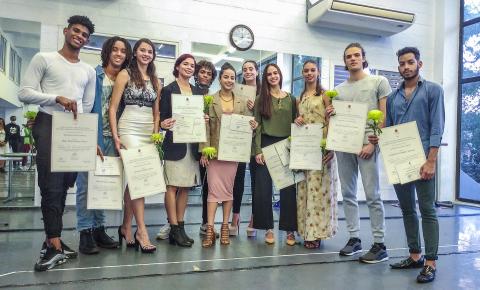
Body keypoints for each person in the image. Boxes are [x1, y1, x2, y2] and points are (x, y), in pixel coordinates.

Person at [18, 15, 96, 271]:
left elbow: (85, 105)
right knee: (50, 186)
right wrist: (56, 98)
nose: (80, 36)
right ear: (65, 31)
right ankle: (53, 246)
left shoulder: (87, 70)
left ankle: (54, 239)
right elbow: (24, 92)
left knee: (64, 187)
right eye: (76, 31)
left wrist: (87, 139)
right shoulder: (44, 58)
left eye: (85, 34)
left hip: (74, 130)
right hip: (49, 124)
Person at [376, 47, 444, 283]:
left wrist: (431, 160)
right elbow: (390, 130)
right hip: (399, 161)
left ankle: (430, 262)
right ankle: (415, 256)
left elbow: (437, 127)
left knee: (427, 210)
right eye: (402, 64)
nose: (406, 67)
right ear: (398, 68)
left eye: (410, 62)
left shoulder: (433, 90)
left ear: (419, 64)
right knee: (407, 210)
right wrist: (380, 137)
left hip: (424, 159)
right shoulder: (393, 98)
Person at [327, 42, 391, 263]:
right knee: (348, 194)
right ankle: (354, 238)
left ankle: (379, 243)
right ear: (344, 61)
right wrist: (330, 113)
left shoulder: (378, 82)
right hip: (345, 146)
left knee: (373, 195)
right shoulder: (339, 90)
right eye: (348, 56)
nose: (352, 59)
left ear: (364, 58)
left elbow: (383, 116)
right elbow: (339, 120)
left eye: (356, 55)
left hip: (367, 145)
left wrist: (373, 144)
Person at [75, 36, 132, 255]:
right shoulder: (93, 74)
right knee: (85, 186)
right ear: (107, 52)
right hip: (94, 137)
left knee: (104, 185)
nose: (119, 54)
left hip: (116, 139)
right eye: (115, 50)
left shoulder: (126, 78)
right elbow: (83, 108)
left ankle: (99, 229)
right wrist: (90, 138)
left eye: (123, 51)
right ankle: (85, 231)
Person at [109, 38, 161, 254]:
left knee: (138, 179)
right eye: (142, 50)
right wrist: (115, 136)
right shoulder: (125, 74)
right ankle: (142, 230)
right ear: (136, 53)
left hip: (148, 131)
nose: (146, 54)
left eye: (150, 51)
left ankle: (125, 227)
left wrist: (156, 134)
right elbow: (113, 108)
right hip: (128, 128)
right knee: (138, 178)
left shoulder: (157, 80)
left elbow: (157, 113)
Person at [200, 63, 257, 247]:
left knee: (228, 191)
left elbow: (248, 127)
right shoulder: (210, 99)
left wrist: (254, 128)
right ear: (220, 79)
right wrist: (204, 151)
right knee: (213, 192)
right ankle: (210, 229)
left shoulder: (242, 101)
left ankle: (225, 227)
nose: (229, 80)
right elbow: (205, 126)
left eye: (232, 77)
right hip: (215, 154)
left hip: (233, 154)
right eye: (226, 77)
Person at [160, 54, 203, 247]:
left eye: (192, 65)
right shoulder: (168, 90)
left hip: (191, 145)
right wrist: (162, 123)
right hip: (174, 144)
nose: (189, 67)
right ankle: (174, 227)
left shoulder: (198, 92)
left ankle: (181, 227)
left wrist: (204, 120)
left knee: (185, 186)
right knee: (172, 186)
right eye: (185, 64)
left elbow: (199, 118)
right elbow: (161, 117)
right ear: (177, 67)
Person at [294, 60, 338, 249]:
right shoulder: (300, 96)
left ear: (318, 72)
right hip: (305, 149)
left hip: (322, 148)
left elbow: (332, 121)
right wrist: (297, 120)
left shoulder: (326, 95)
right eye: (306, 71)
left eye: (312, 70)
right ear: (302, 73)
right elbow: (301, 120)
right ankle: (306, 232)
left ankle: (317, 233)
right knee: (305, 191)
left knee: (320, 192)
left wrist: (331, 147)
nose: (309, 73)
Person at [252, 63, 297, 245]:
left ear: (280, 75)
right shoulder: (260, 99)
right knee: (263, 189)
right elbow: (256, 126)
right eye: (269, 74)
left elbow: (296, 124)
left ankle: (289, 230)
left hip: (286, 144)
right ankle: (268, 229)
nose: (272, 76)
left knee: (288, 189)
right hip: (266, 143)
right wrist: (257, 150)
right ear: (265, 78)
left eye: (275, 73)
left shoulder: (292, 99)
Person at [230, 60, 259, 237]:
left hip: (257, 141)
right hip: (239, 139)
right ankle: (235, 217)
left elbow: (269, 115)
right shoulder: (236, 90)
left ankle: (254, 219)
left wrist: (255, 108)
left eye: (251, 69)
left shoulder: (264, 92)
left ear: (257, 71)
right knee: (237, 179)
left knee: (257, 182)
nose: (248, 72)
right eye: (245, 69)